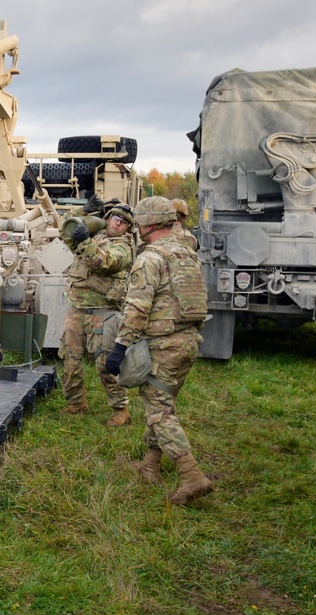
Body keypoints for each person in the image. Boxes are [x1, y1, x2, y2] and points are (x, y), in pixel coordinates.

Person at [105, 196, 213, 505]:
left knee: (158, 412)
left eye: (138, 222)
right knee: (163, 403)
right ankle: (150, 466)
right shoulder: (186, 253)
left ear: (149, 224)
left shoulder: (151, 258)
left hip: (164, 345)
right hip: (188, 341)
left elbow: (137, 308)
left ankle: (192, 477)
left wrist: (120, 347)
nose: (137, 227)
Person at [60, 202, 137, 426]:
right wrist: (82, 211)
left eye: (123, 222)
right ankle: (76, 402)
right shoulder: (95, 235)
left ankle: (120, 409)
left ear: (128, 228)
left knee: (105, 364)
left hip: (104, 313)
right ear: (109, 217)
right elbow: (64, 229)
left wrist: (85, 241)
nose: (117, 223)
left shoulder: (124, 247)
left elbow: (105, 263)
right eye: (115, 218)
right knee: (70, 361)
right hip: (77, 309)